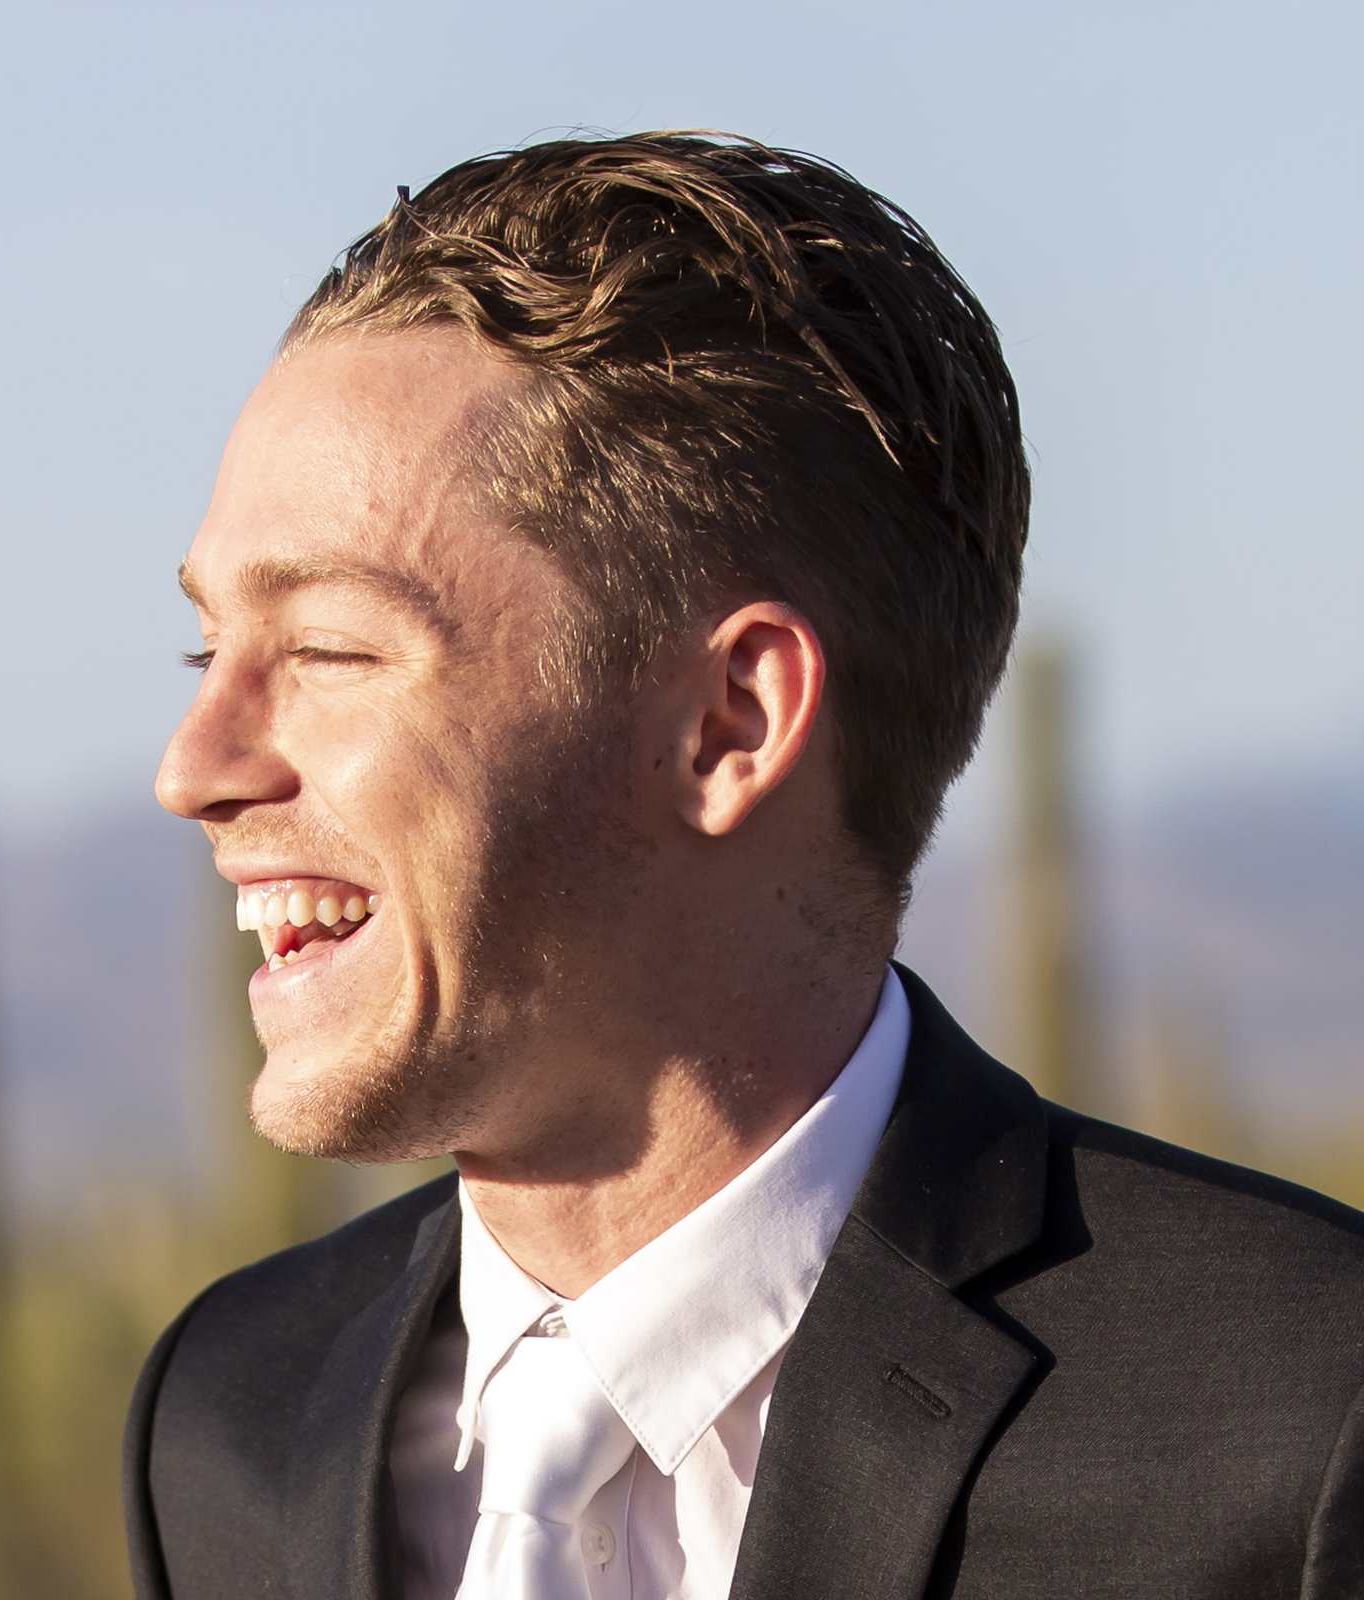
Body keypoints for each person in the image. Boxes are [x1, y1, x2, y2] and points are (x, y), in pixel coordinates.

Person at [124, 133, 1364, 1600]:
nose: (192, 767)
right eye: (212, 645)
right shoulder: (229, 1418)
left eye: (328, 650)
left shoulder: (1302, 1420)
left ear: (733, 721)